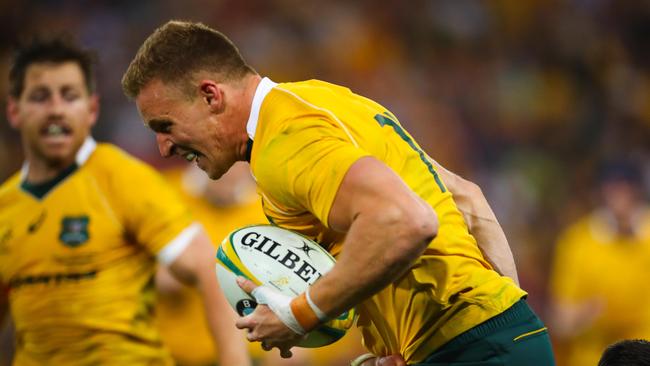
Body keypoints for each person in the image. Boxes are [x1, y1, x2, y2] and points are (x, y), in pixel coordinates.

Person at [122, 20, 554, 365]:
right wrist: (507, 321)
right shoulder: (328, 101)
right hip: (490, 337)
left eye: (165, 125)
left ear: (211, 96)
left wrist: (299, 314)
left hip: (468, 348)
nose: (162, 147)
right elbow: (465, 198)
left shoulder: (283, 141)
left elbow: (408, 220)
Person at [0, 36, 251, 365]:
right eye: (40, 97)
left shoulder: (122, 180)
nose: (56, 109)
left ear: (92, 109)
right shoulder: (6, 206)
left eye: (69, 96)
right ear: (15, 111)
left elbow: (209, 270)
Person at [155, 162, 367, 366]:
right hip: (173, 352)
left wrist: (299, 346)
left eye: (238, 165)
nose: (230, 175)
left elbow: (302, 282)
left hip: (252, 354)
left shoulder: (275, 209)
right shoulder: (164, 191)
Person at [549, 159, 650, 366]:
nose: (620, 198)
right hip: (595, 357)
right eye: (614, 190)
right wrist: (590, 312)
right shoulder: (578, 242)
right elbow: (560, 320)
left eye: (626, 189)